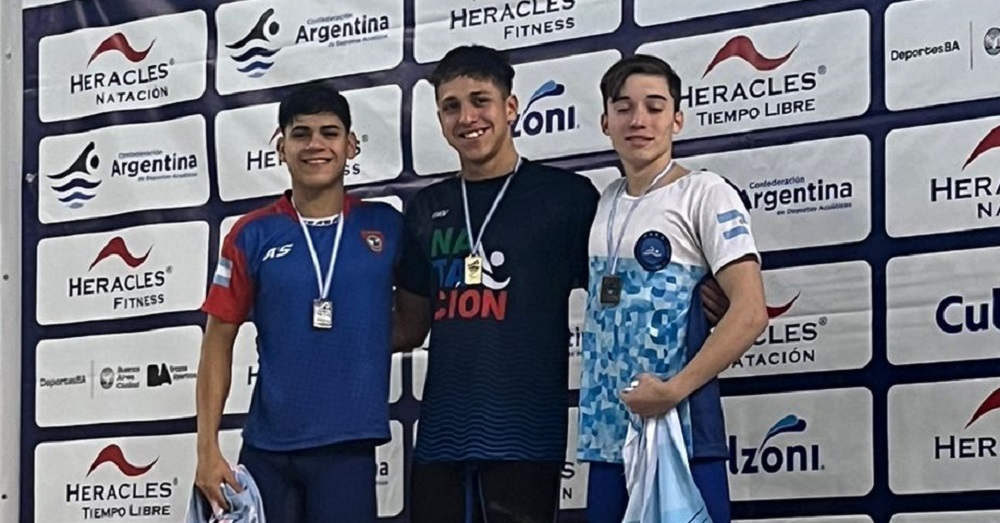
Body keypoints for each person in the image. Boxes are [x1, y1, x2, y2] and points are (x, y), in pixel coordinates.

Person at [392, 45, 600, 523]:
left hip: (526, 435)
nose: (466, 117)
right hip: (441, 437)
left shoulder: (567, 198)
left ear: (510, 107)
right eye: (451, 106)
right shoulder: (427, 207)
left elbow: (617, 295)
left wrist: (696, 298)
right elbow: (409, 325)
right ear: (440, 119)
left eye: (480, 100)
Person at [194, 82, 402, 522]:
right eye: (301, 133)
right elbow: (217, 341)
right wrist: (207, 450)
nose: (315, 145)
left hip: (347, 450)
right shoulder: (251, 233)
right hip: (267, 450)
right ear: (281, 147)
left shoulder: (386, 227)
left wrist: (356, 343)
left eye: (329, 132)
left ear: (351, 145)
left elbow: (415, 322)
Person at [577, 54, 768, 523]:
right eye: (623, 108)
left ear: (677, 119)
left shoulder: (705, 193)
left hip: (681, 430)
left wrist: (673, 390)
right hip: (609, 436)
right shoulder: (606, 201)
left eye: (654, 106)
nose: (638, 120)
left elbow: (749, 312)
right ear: (605, 122)